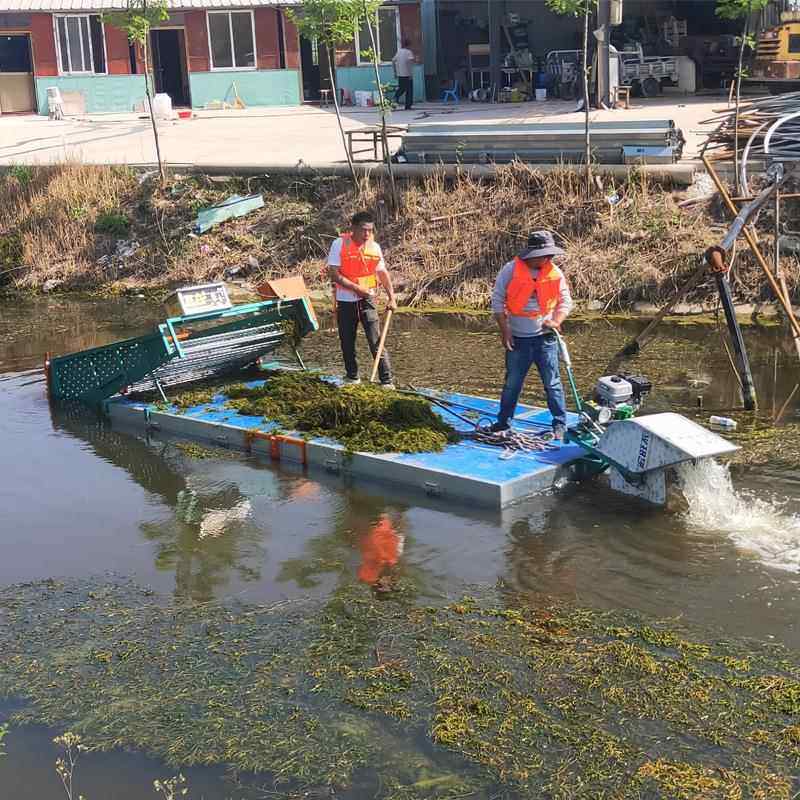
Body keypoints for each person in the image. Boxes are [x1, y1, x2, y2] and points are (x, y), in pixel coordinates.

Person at [490, 230, 573, 440]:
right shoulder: (510, 270)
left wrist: (557, 321)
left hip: (546, 339)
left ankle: (560, 425)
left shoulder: (554, 272)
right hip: (518, 339)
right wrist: (505, 329)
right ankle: (503, 423)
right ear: (532, 254)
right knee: (512, 383)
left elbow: (565, 301)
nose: (548, 259)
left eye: (550, 255)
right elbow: (498, 300)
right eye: (545, 255)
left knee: (552, 383)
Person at [327, 210, 397, 386]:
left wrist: (392, 297)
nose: (367, 234)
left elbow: (382, 272)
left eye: (370, 230)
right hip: (345, 301)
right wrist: (357, 288)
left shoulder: (375, 247)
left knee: (376, 341)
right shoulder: (339, 244)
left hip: (367, 301)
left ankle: (386, 381)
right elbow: (334, 274)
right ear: (353, 228)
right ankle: (352, 377)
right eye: (363, 230)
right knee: (347, 342)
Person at [392, 39, 416, 110]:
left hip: (400, 74)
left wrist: (395, 72)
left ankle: (395, 97)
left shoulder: (399, 52)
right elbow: (410, 63)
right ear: (409, 45)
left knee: (401, 89)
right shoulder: (409, 52)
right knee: (409, 90)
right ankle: (408, 106)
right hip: (407, 74)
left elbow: (393, 61)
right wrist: (411, 74)